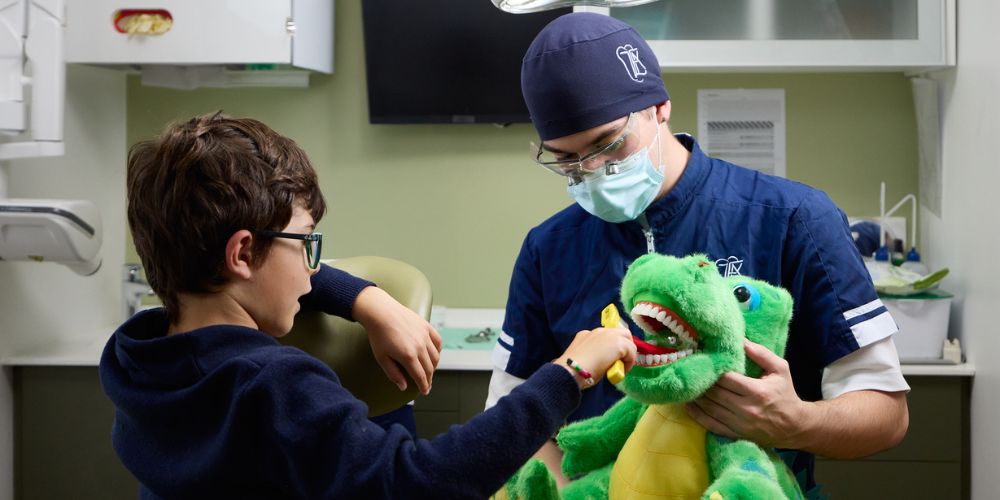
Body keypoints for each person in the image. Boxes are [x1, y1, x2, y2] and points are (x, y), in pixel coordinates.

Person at [99, 112, 637, 498]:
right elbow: (418, 481)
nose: (314, 268)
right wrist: (568, 375)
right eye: (308, 242)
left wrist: (365, 300)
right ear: (241, 252)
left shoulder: (141, 358)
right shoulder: (273, 387)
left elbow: (273, 269)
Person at [486, 12, 910, 492]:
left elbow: (886, 413)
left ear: (659, 107)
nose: (594, 170)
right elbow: (512, 418)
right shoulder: (549, 249)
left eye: (609, 144)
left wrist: (794, 422)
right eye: (567, 160)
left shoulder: (793, 218)